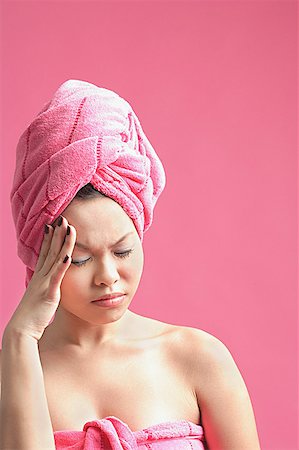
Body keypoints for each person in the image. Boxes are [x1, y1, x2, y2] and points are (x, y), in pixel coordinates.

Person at [0, 80, 261, 450]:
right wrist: (19, 340)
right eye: (80, 259)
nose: (108, 277)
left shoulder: (198, 358)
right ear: (38, 254)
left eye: (123, 251)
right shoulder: (9, 370)